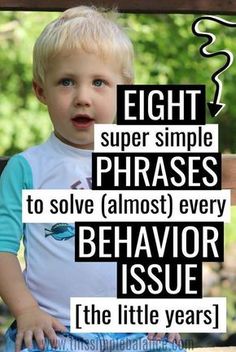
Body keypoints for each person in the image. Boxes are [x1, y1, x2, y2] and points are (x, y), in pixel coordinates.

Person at [0, 6, 184, 352]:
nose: (83, 97)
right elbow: (2, 248)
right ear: (41, 92)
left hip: (136, 332)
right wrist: (26, 311)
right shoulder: (27, 169)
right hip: (54, 331)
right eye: (66, 82)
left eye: (99, 82)